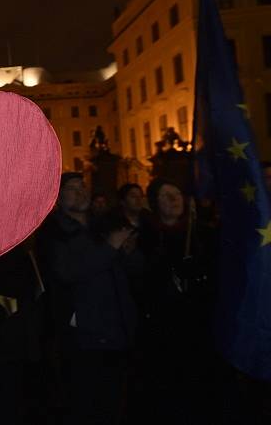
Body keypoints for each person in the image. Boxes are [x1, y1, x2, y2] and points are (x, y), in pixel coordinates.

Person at [36, 172, 137, 425]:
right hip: (84, 336)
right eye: (71, 188)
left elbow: (134, 271)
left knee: (115, 402)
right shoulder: (53, 232)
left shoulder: (103, 225)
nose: (80, 191)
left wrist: (129, 252)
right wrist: (110, 248)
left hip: (118, 329)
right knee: (86, 404)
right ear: (57, 198)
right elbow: (66, 271)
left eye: (83, 186)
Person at [137, 178, 218, 424]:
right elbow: (140, 281)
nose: (173, 199)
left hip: (199, 323)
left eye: (177, 193)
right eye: (165, 195)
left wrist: (200, 271)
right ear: (154, 203)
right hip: (163, 326)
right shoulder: (146, 236)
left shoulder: (202, 233)